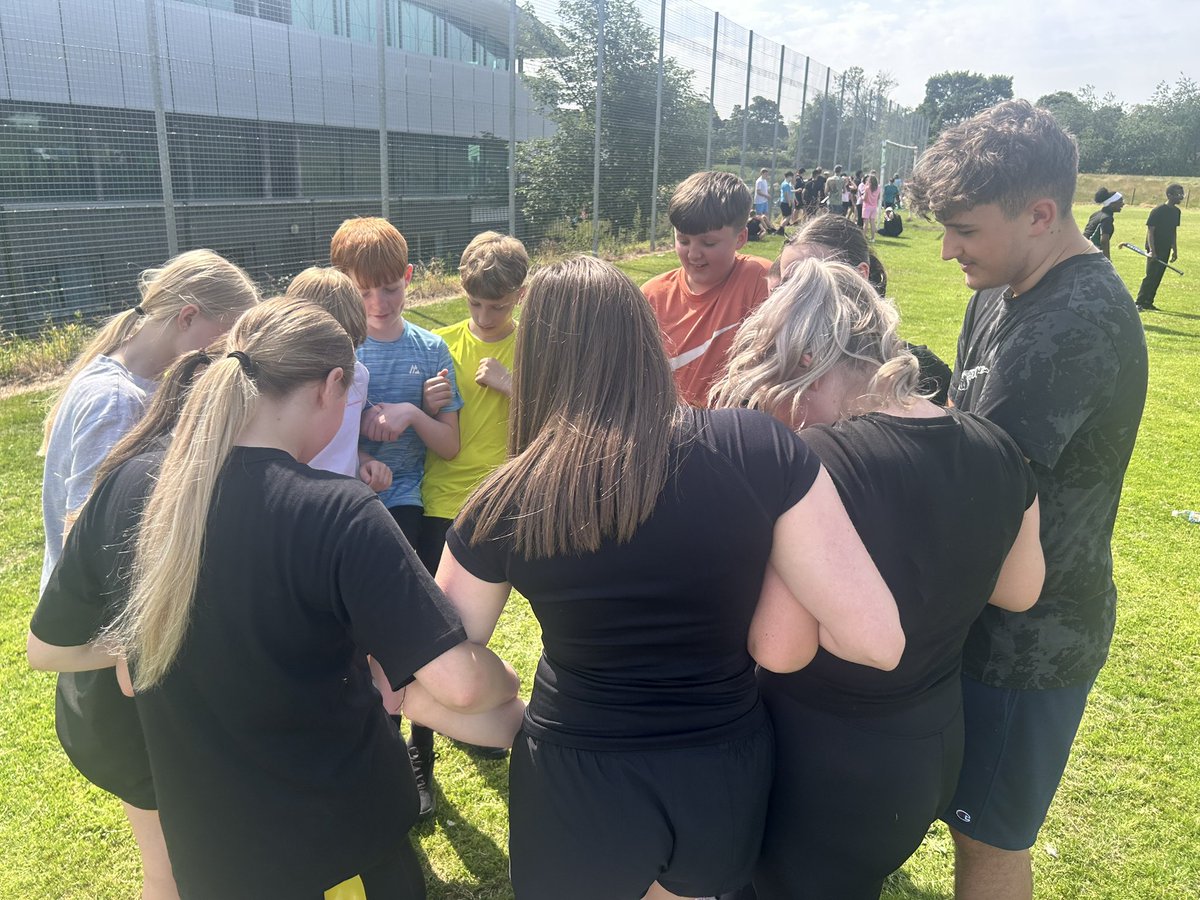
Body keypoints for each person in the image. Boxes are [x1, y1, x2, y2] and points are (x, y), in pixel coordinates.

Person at [435, 255, 904, 900]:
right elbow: (876, 640)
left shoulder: (508, 497)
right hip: (720, 766)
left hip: (575, 767)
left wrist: (515, 716)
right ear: (644, 337)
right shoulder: (758, 447)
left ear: (536, 355)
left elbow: (439, 673)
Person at [28, 299, 524, 899]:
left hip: (209, 854)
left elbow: (48, 648)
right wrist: (508, 681)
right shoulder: (340, 512)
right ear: (332, 385)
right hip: (336, 849)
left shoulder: (129, 483)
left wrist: (148, 643)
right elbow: (462, 686)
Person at [713, 257, 1042, 899]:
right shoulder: (995, 445)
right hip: (931, 745)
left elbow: (782, 650)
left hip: (822, 759)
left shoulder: (813, 465)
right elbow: (1019, 589)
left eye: (779, 381)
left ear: (809, 358)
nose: (782, 407)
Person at [906, 99, 1148, 900]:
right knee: (952, 818)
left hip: (1030, 645)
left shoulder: (1076, 321)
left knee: (988, 842)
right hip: (974, 623)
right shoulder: (1001, 288)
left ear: (1041, 213)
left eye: (965, 230)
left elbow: (977, 483)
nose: (946, 251)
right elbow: (965, 424)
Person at [36, 248, 258, 900]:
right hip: (116, 666)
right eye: (225, 342)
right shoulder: (117, 402)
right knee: (174, 867)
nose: (227, 362)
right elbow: (94, 537)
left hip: (114, 655)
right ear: (189, 317)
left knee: (182, 855)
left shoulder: (126, 385)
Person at [330, 215, 465, 820]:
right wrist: (359, 454)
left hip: (404, 506)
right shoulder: (336, 348)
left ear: (409, 278)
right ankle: (368, 758)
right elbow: (314, 433)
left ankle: (419, 764)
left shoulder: (430, 350)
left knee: (407, 639)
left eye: (390, 287)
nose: (378, 302)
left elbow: (450, 445)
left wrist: (412, 414)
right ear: (343, 288)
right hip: (337, 508)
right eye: (364, 291)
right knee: (351, 644)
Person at [418, 230, 528, 761]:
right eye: (475, 303)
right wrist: (428, 398)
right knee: (435, 628)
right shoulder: (442, 345)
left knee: (472, 625)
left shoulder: (532, 348)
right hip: (441, 500)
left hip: (504, 502)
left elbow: (557, 420)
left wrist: (517, 385)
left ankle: (469, 716)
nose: (485, 316)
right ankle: (422, 751)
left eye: (498, 305)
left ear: (519, 297)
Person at [775, 212, 953, 405]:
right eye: (788, 283)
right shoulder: (773, 369)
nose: (797, 293)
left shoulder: (923, 374)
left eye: (816, 278)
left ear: (860, 274)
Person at [641, 171, 771, 406]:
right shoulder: (652, 296)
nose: (693, 254)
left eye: (708, 243)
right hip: (669, 429)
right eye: (683, 241)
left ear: (741, 238)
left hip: (733, 432)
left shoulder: (761, 281)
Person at [286, 266, 391, 492]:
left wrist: (364, 462)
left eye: (350, 346)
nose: (343, 362)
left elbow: (344, 442)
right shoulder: (283, 387)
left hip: (344, 500)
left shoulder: (359, 376)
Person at [1135, 182, 1185, 311]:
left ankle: (1149, 302)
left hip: (1166, 247)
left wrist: (1175, 250)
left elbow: (1173, 231)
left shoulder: (1176, 212)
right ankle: (1139, 302)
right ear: (1169, 195)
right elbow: (1150, 231)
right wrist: (1152, 251)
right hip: (1154, 247)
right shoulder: (1158, 211)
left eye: (1182, 194)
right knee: (1151, 274)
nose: (1181, 197)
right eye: (1178, 194)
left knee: (1159, 275)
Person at [1083, 187, 1124, 259]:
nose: (1123, 204)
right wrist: (1107, 259)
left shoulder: (1096, 214)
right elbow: (1104, 240)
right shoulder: (1107, 218)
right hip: (1092, 252)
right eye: (1120, 202)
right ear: (1112, 203)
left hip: (1084, 249)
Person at [860, 173, 882, 241]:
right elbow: (878, 197)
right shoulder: (878, 188)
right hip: (874, 206)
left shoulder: (867, 188)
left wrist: (861, 197)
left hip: (867, 206)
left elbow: (865, 198)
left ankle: (864, 237)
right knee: (872, 222)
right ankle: (873, 238)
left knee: (865, 223)